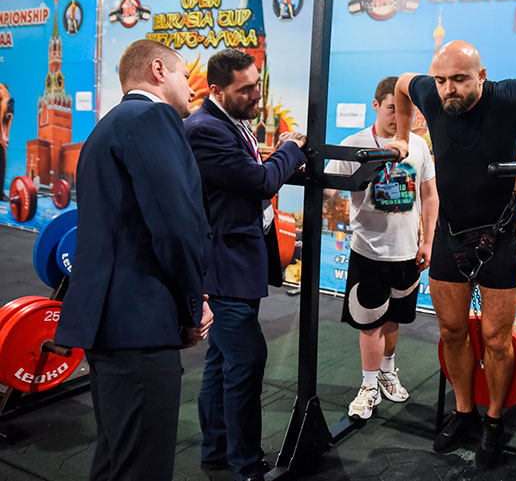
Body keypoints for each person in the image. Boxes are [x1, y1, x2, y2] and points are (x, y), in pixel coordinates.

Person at [386, 40, 516, 468]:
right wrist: (401, 138)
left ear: (482, 76)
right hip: (449, 236)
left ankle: (493, 419)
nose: (448, 89)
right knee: (452, 331)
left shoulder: (508, 96)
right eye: (441, 80)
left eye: (459, 79)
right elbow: (400, 85)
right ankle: (463, 412)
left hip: (499, 236)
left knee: (496, 339)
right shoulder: (428, 91)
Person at [55, 39, 214, 481]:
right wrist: (192, 307)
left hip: (112, 325)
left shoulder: (109, 125)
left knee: (117, 461)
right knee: (141, 467)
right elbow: (175, 225)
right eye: (186, 75)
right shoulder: (151, 118)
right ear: (159, 71)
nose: (192, 88)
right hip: (140, 325)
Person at [184, 48, 307, 481]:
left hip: (236, 262)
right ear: (217, 90)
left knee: (222, 360)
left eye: (257, 85)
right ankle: (245, 464)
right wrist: (290, 149)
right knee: (246, 360)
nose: (256, 94)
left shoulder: (228, 122)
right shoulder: (206, 129)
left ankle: (218, 451)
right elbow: (259, 181)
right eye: (246, 89)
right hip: (223, 268)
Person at [324, 76, 439, 420]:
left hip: (408, 252)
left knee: (393, 321)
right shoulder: (355, 144)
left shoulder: (418, 145)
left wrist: (428, 241)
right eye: (392, 109)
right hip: (368, 252)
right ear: (375, 106)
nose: (400, 117)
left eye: (406, 111)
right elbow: (328, 187)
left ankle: (388, 370)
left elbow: (430, 195)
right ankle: (368, 385)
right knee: (370, 323)